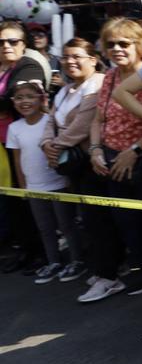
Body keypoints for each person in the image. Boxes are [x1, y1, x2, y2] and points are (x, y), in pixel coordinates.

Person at [79, 18, 142, 303]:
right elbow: (99, 118)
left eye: (124, 43)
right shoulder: (109, 78)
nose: (117, 49)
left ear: (139, 44)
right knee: (127, 222)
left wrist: (135, 151)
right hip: (112, 163)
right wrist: (95, 150)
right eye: (111, 44)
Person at [6, 80, 86, 284]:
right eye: (19, 98)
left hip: (58, 183)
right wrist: (23, 186)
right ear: (13, 102)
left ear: (42, 99)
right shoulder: (14, 128)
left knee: (67, 224)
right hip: (34, 187)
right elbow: (17, 159)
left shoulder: (49, 123)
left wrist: (68, 181)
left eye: (30, 97)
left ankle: (77, 260)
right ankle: (54, 262)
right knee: (45, 227)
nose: (25, 102)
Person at [39, 38, 104, 282]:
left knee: (98, 218)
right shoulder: (65, 90)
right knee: (86, 217)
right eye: (66, 57)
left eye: (76, 56)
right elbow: (50, 121)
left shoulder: (97, 84)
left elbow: (83, 125)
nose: (70, 61)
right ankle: (99, 265)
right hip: (70, 163)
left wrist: (55, 146)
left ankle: (108, 268)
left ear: (93, 60)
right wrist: (46, 144)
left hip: (90, 162)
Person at [0, 20, 47, 273]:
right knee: (12, 200)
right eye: (1, 42)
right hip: (3, 145)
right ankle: (26, 250)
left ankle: (42, 252)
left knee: (28, 198)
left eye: (13, 41)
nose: (6, 46)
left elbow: (14, 101)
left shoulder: (28, 65)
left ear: (23, 44)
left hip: (24, 143)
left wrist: (7, 103)